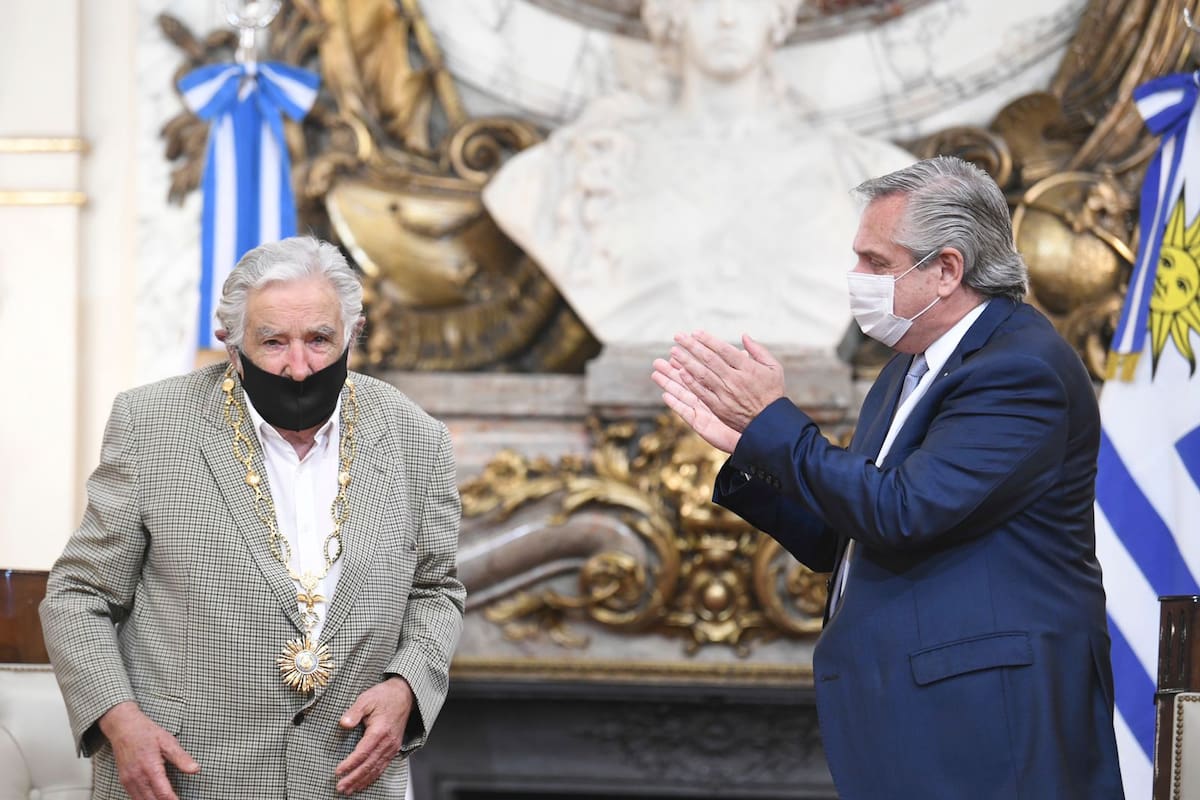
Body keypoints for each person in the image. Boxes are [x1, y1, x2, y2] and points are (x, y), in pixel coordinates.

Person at [651, 156, 1124, 798]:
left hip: (989, 726)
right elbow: (841, 534)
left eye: (876, 262)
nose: (856, 279)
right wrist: (748, 447)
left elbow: (904, 511)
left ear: (947, 269)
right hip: (920, 718)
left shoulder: (1020, 369)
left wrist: (775, 422)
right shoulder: (910, 366)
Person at [40, 236, 465, 799]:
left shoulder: (419, 440)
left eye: (320, 340)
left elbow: (436, 590)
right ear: (231, 343)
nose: (298, 367)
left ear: (353, 334)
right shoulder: (152, 424)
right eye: (272, 343)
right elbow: (78, 594)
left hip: (350, 779)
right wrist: (119, 721)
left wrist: (408, 686)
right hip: (183, 777)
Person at [482, 0, 912, 350]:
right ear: (671, 15)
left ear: (778, 14)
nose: (727, 16)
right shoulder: (580, 168)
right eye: (704, 2)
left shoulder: (863, 171)